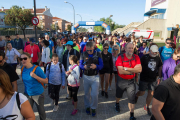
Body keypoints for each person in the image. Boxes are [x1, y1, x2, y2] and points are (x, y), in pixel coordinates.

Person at [115, 43, 142, 120]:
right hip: (121, 80)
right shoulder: (120, 57)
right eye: (129, 48)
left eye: (132, 48)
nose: (131, 50)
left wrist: (126, 69)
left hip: (131, 81)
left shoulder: (136, 57)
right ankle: (117, 103)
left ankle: (132, 115)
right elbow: (120, 71)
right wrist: (133, 70)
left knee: (131, 98)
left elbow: (139, 69)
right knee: (118, 95)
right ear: (125, 49)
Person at [135, 44, 162, 116]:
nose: (155, 53)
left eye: (156, 52)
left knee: (151, 93)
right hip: (144, 78)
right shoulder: (144, 57)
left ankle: (147, 106)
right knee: (142, 92)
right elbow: (138, 66)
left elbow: (160, 66)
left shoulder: (158, 58)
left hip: (153, 79)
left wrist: (159, 77)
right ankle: (136, 95)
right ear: (150, 51)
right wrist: (136, 76)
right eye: (154, 52)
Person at [21, 52, 48, 120]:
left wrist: (36, 76)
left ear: (30, 59)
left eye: (25, 58)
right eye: (21, 59)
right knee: (27, 113)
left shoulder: (37, 69)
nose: (23, 60)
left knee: (41, 112)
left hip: (38, 94)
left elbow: (46, 81)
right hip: (27, 94)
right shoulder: (22, 68)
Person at [79, 42, 103, 117]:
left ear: (93, 48)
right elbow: (80, 64)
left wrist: (96, 66)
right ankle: (87, 107)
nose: (89, 52)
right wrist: (84, 67)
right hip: (86, 76)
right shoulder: (83, 54)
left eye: (91, 50)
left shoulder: (98, 54)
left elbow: (101, 65)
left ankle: (93, 108)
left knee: (94, 94)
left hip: (95, 77)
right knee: (86, 94)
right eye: (88, 50)